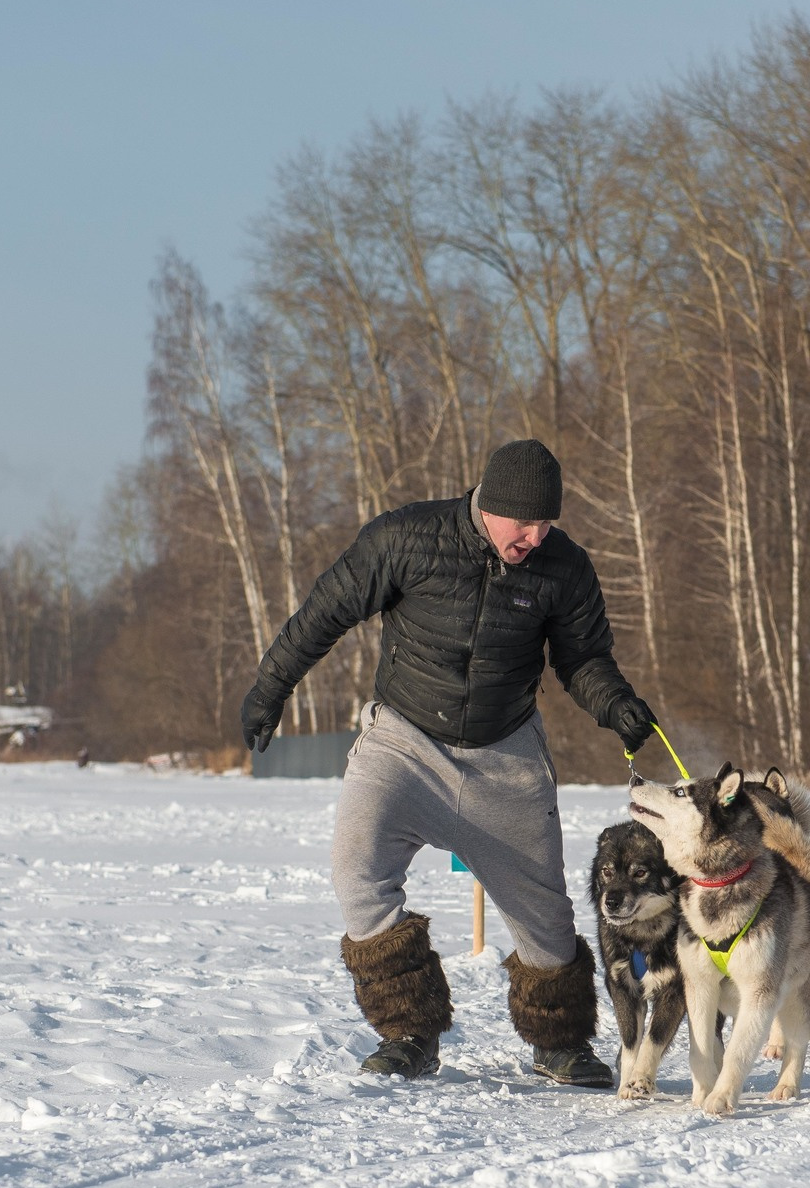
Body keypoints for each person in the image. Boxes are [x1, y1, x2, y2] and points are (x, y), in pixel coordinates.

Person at [240, 438, 656, 1087]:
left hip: (507, 752)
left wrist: (618, 705)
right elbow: (326, 610)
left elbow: (584, 659)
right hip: (402, 741)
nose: (535, 536)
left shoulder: (564, 568)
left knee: (545, 920)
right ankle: (410, 1030)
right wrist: (271, 688)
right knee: (357, 866)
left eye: (547, 523)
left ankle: (559, 1042)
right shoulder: (408, 538)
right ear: (489, 503)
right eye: (524, 522)